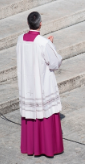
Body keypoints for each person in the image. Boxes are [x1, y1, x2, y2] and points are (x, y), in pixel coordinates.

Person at [16, 11, 63, 156]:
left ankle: (30, 147)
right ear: (40, 24)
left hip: (27, 84)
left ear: (28, 23)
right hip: (42, 84)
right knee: (45, 114)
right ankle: (48, 148)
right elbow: (55, 63)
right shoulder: (44, 43)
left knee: (31, 114)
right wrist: (51, 45)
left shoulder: (20, 39)